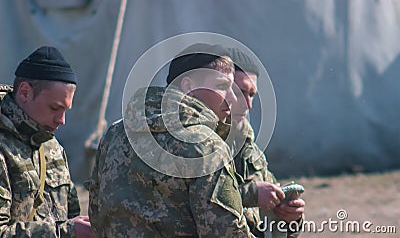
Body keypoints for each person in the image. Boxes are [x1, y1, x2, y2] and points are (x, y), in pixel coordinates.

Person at [88, 43, 257, 237]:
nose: (233, 99)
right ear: (188, 86)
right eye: (222, 86)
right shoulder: (206, 146)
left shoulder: (115, 133)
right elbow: (226, 232)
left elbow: (96, 213)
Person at [0, 46, 94, 237]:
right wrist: (66, 233)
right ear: (25, 92)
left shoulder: (51, 147)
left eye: (65, 110)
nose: (61, 120)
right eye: (54, 108)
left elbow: (71, 213)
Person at [228, 47, 305, 237]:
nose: (248, 104)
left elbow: (268, 220)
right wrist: (251, 195)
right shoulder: (190, 145)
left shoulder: (250, 150)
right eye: (239, 92)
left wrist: (291, 218)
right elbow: (185, 206)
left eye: (252, 94)